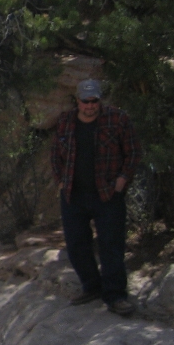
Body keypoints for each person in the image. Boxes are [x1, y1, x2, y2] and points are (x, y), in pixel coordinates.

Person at [50, 79, 141, 317]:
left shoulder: (117, 119)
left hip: (107, 194)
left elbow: (133, 153)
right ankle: (92, 286)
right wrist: (60, 180)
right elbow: (55, 155)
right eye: (85, 101)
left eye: (94, 101)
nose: (90, 106)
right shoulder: (65, 122)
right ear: (77, 101)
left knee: (111, 246)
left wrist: (122, 180)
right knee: (76, 246)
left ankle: (116, 295)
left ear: (100, 100)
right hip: (73, 194)